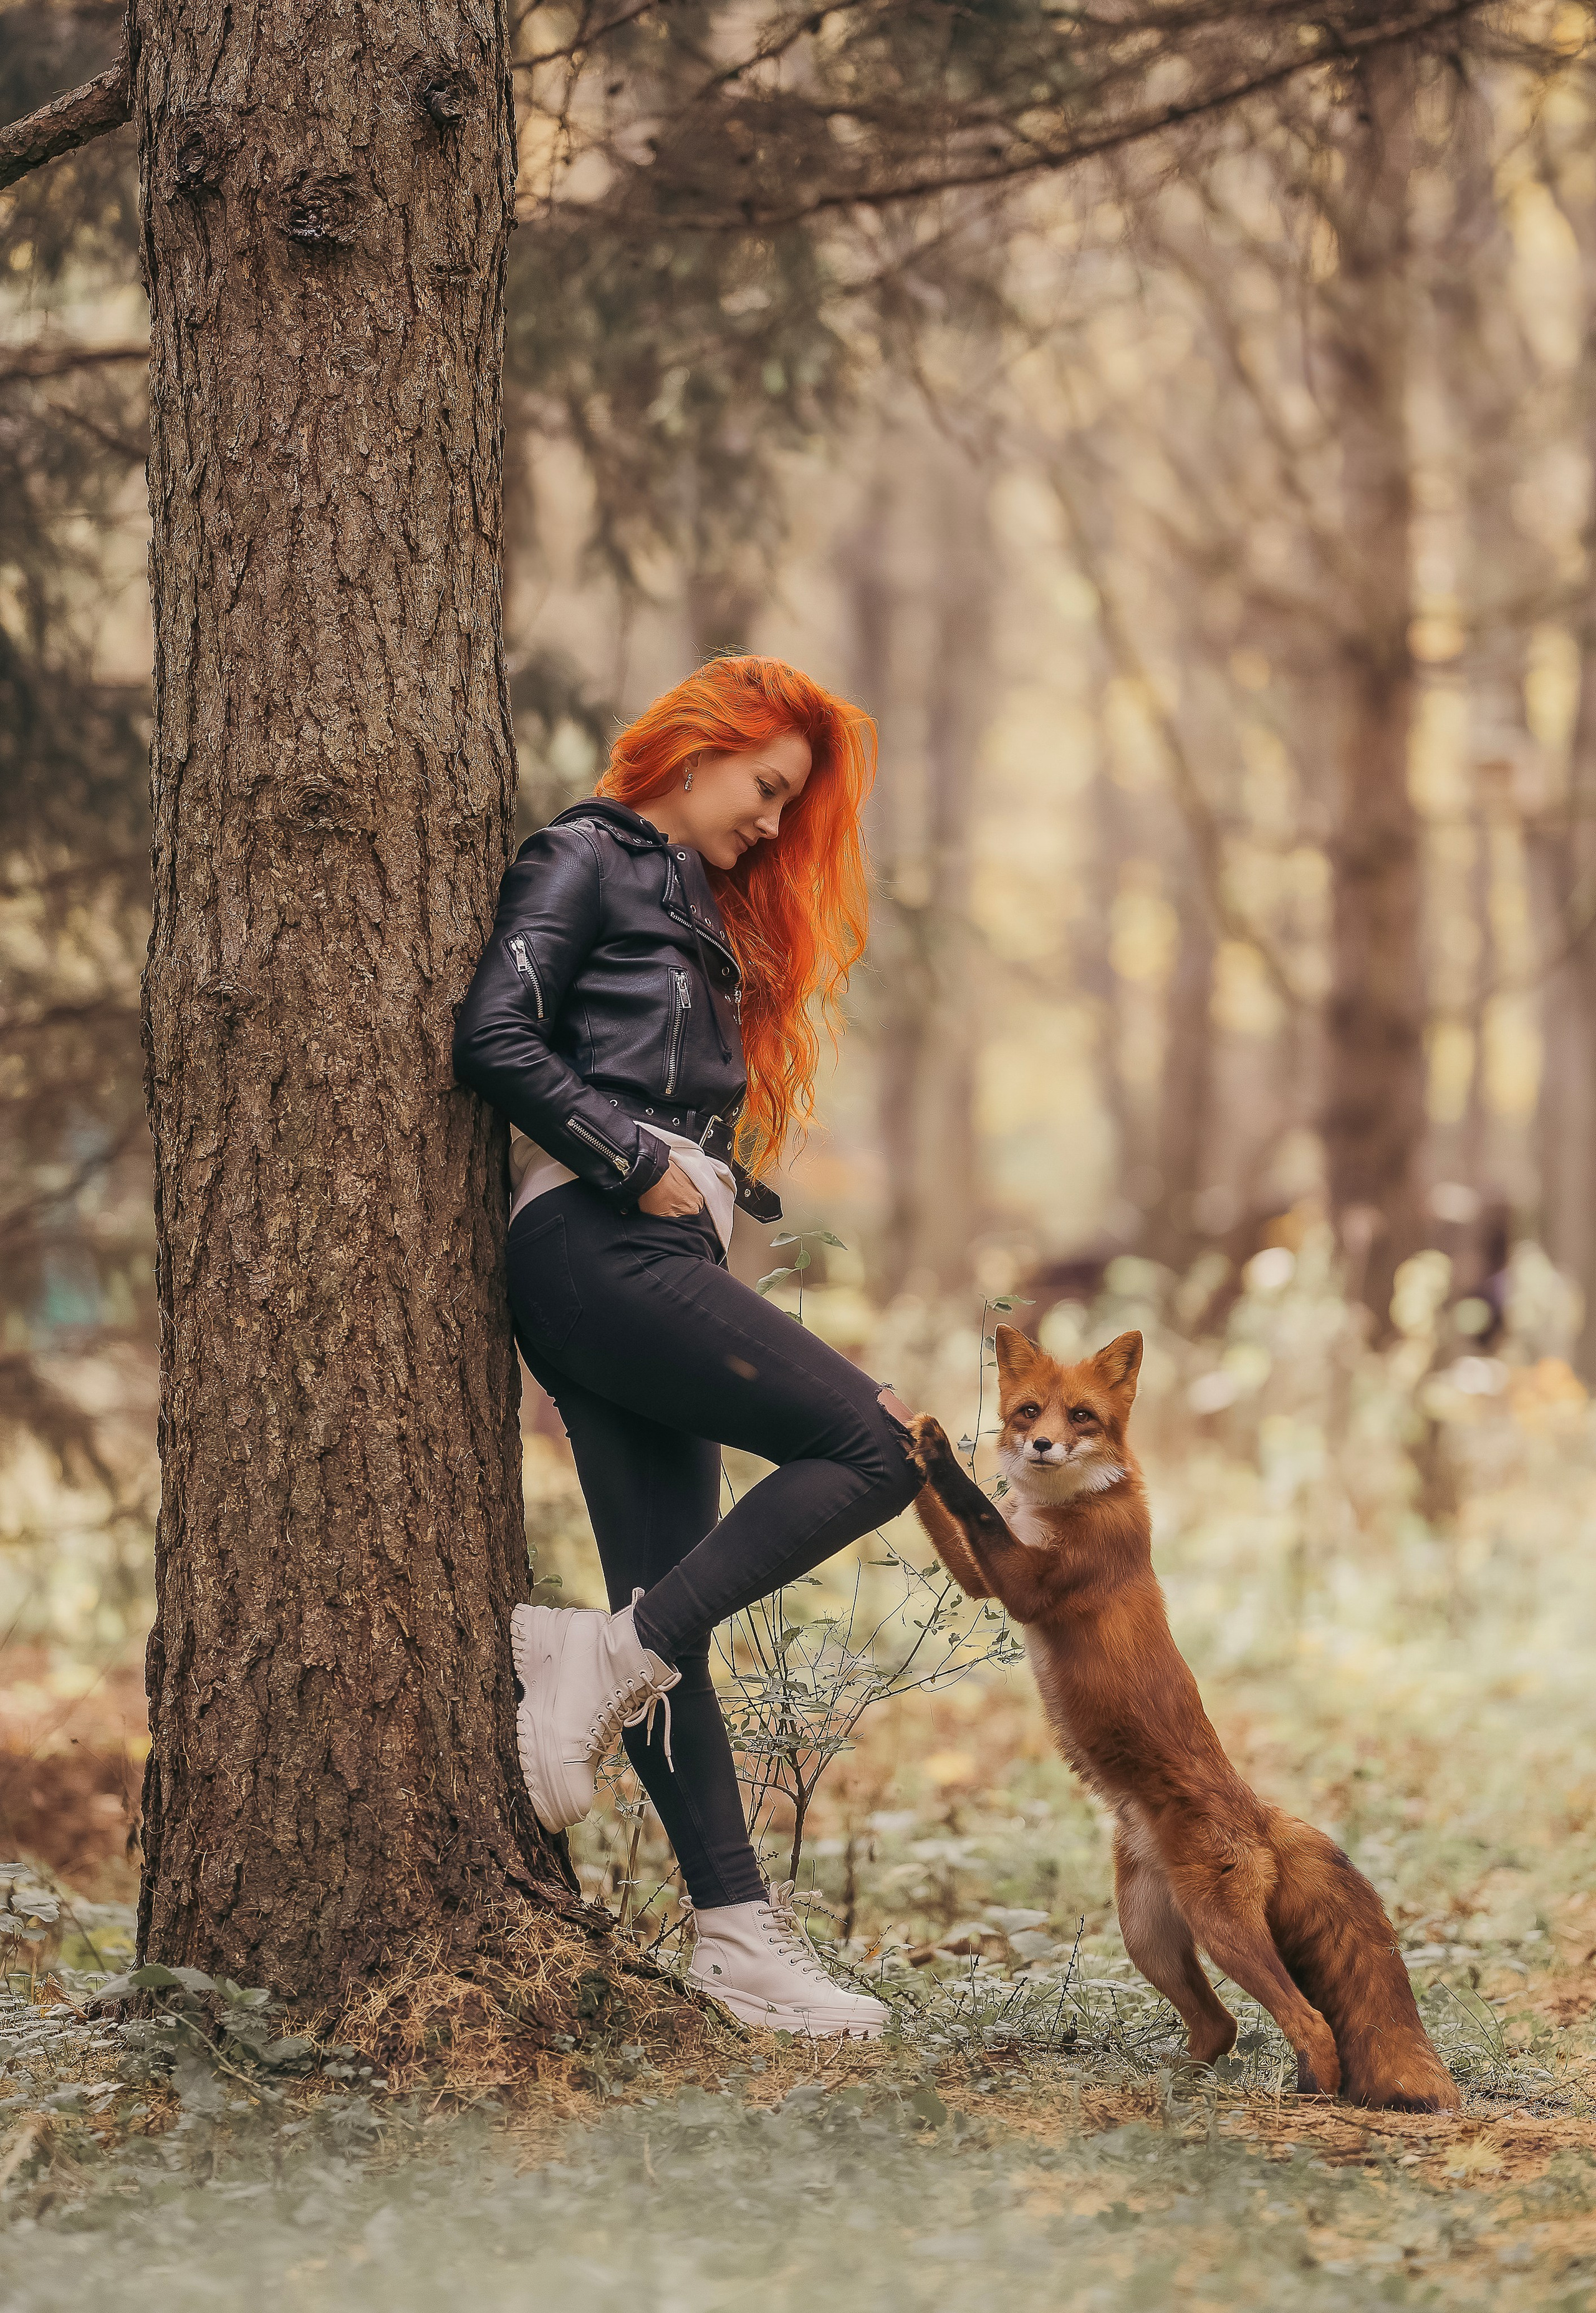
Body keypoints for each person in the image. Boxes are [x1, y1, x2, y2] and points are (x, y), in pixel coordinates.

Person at [452, 655, 922, 2037]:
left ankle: (732, 1935)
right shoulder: (586, 855)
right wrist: (623, 1160)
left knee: (670, 1620)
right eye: (766, 790)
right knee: (880, 1440)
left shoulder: (697, 906)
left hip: (649, 1257)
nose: (774, 825)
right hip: (595, 1248)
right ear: (697, 748)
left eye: (789, 805)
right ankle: (598, 1656)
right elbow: (493, 1032)